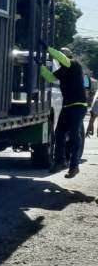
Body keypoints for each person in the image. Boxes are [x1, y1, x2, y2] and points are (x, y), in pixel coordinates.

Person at [40, 46, 87, 178]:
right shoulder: (62, 71)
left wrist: (48, 48)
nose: (60, 58)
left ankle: (74, 166)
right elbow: (49, 78)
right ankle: (59, 161)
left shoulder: (74, 65)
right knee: (59, 133)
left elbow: (60, 57)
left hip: (79, 106)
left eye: (63, 55)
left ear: (68, 56)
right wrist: (40, 66)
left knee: (74, 135)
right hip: (67, 107)